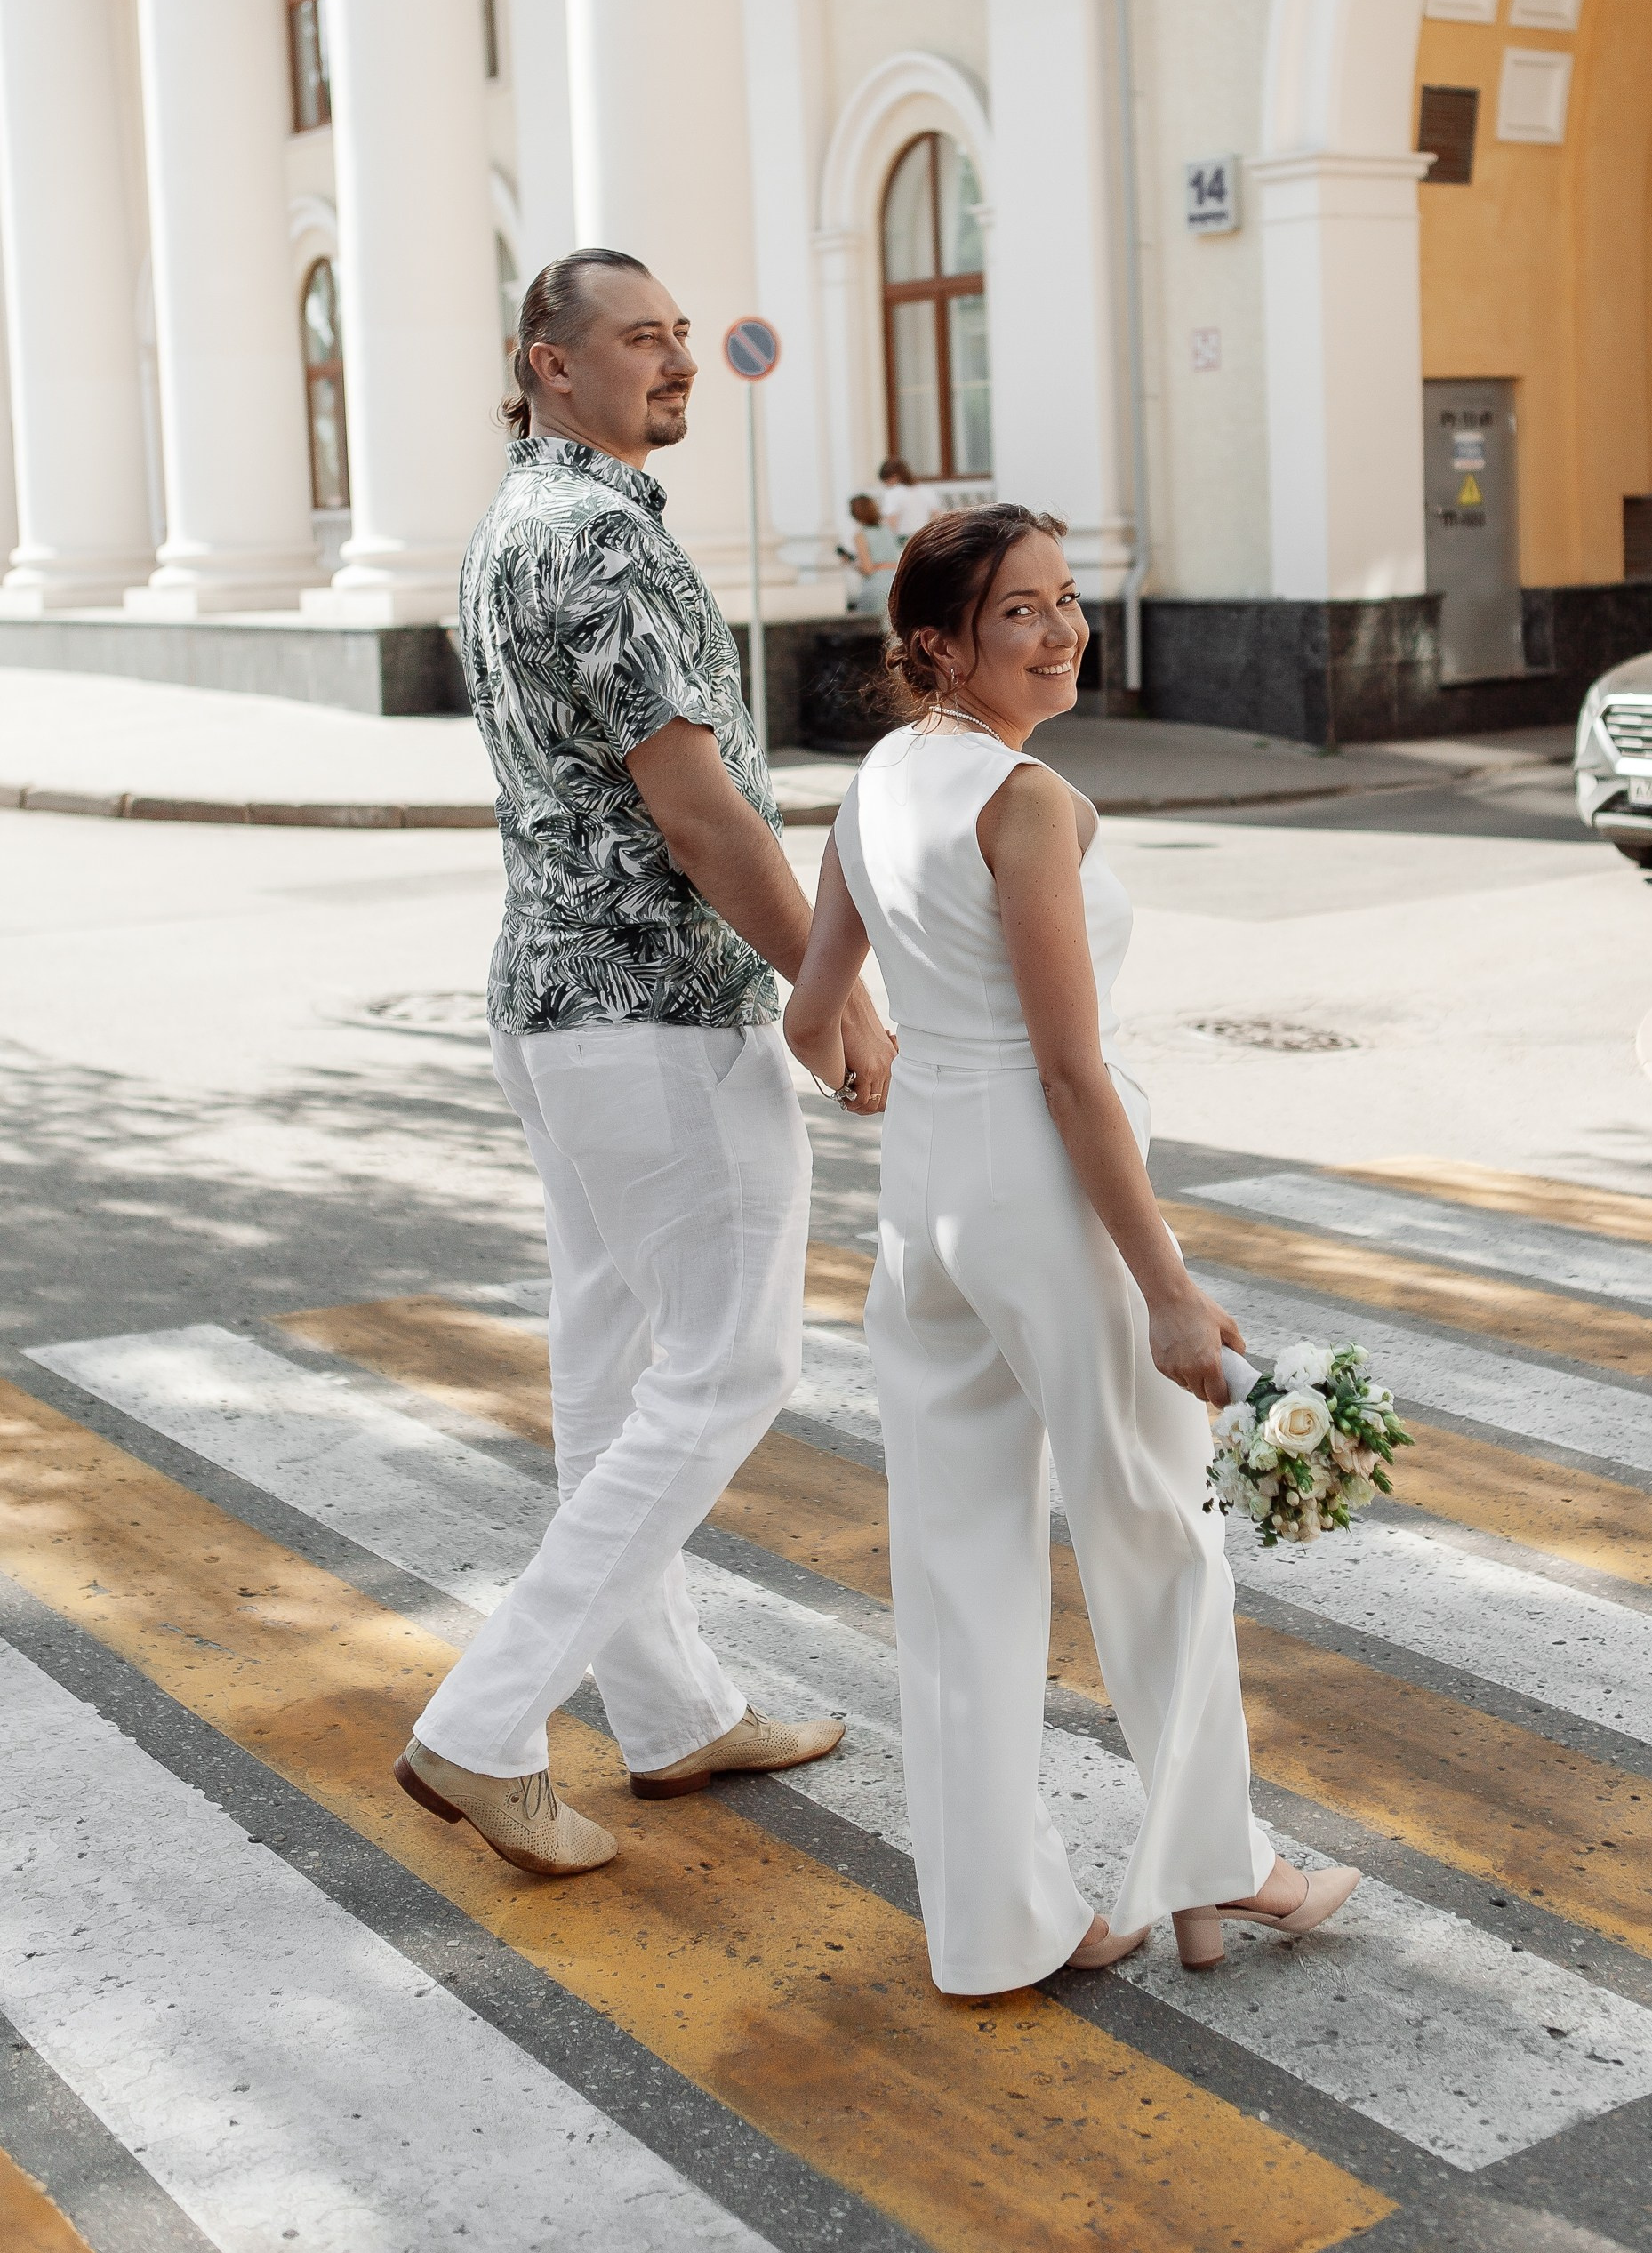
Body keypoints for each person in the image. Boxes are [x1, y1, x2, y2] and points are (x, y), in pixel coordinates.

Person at [783, 505, 1359, 1988]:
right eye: (1019, 613)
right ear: (938, 644)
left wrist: (905, 1083)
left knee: (958, 1558)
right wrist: (1168, 1289)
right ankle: (1217, 1868)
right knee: (1157, 1536)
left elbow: (813, 1021)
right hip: (1044, 1198)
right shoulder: (1026, 802)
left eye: (1066, 601)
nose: (1062, 632)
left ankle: (1002, 1930)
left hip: (927, 1209)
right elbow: (1069, 1074)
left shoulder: (879, 778)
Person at [396, 246, 894, 1876]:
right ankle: (483, 1727)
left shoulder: (513, 525)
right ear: (549, 362)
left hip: (554, 1002)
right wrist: (827, 992)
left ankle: (671, 1714)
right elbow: (696, 813)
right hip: (656, 1011)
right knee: (732, 1368)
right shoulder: (596, 537)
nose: (676, 364)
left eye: (683, 339)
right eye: (639, 341)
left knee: (614, 1379)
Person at [837, 491, 902, 617]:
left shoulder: (860, 535)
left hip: (876, 586)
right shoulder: (888, 530)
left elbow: (868, 569)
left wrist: (850, 562)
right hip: (895, 581)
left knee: (871, 628)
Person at [876, 455, 942, 546]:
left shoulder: (893, 493)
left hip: (903, 541)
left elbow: (891, 523)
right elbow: (936, 518)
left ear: (894, 477)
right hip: (925, 539)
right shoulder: (927, 491)